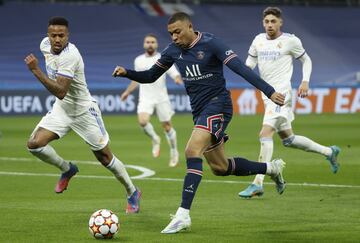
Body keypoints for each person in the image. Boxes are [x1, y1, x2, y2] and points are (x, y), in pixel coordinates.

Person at [113, 12, 286, 234]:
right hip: (199, 111)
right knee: (220, 168)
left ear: (189, 27)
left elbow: (241, 69)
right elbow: (150, 76)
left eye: (178, 32)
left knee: (192, 150)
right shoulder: (173, 51)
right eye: (170, 34)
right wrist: (127, 72)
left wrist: (269, 91)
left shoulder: (211, 43)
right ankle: (272, 168)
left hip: (219, 106)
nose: (174, 37)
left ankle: (183, 215)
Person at [24, 16, 141, 214]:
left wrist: (35, 70)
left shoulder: (71, 56)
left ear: (68, 36)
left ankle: (132, 191)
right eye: (54, 35)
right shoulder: (45, 45)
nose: (57, 39)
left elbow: (61, 90)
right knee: (34, 145)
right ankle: (67, 169)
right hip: (62, 109)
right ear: (48, 36)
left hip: (83, 111)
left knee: (105, 158)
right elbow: (61, 97)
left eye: (61, 35)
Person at [239, 7, 340, 199]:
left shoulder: (290, 41)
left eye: (273, 21)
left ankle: (257, 183)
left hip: (281, 95)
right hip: (266, 96)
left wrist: (305, 81)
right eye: (267, 21)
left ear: (280, 22)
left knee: (265, 133)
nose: (270, 25)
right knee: (288, 139)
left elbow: (306, 60)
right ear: (263, 23)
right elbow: (248, 66)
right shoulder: (258, 41)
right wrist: (241, 70)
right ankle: (329, 152)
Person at [121, 34, 182, 167]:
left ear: (156, 44)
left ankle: (174, 151)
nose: (150, 44)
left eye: (152, 42)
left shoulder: (163, 58)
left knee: (167, 126)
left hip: (161, 98)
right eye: (148, 42)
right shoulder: (138, 60)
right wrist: (127, 92)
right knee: (142, 121)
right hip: (146, 97)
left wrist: (177, 78)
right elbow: (136, 78)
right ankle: (155, 138)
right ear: (144, 44)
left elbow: (174, 73)